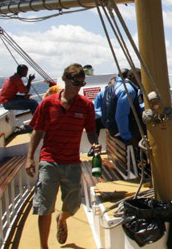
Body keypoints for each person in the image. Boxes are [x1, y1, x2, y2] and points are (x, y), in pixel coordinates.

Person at [25, 63, 101, 248]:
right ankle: (44, 246)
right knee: (44, 207)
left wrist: (94, 143)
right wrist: (29, 158)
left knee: (73, 206)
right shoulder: (48, 103)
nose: (79, 87)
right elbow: (37, 131)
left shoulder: (86, 106)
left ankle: (62, 218)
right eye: (76, 82)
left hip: (72, 162)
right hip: (49, 160)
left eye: (82, 84)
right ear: (65, 79)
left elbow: (91, 130)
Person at [103, 69, 144, 147]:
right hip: (118, 129)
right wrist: (127, 137)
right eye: (141, 79)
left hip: (111, 126)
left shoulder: (115, 85)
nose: (142, 82)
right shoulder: (129, 90)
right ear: (134, 77)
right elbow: (121, 115)